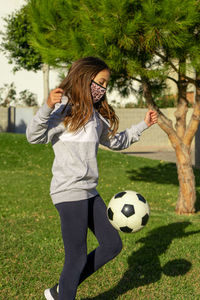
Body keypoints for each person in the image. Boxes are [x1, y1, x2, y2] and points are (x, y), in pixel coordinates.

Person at [26, 56, 158, 300]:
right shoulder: (63, 112)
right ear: (85, 79)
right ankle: (65, 293)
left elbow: (117, 141)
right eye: (100, 82)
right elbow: (34, 136)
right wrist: (46, 107)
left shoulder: (96, 118)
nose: (102, 89)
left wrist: (142, 126)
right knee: (75, 256)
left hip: (90, 192)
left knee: (112, 244)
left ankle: (60, 290)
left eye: (106, 84)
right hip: (68, 192)